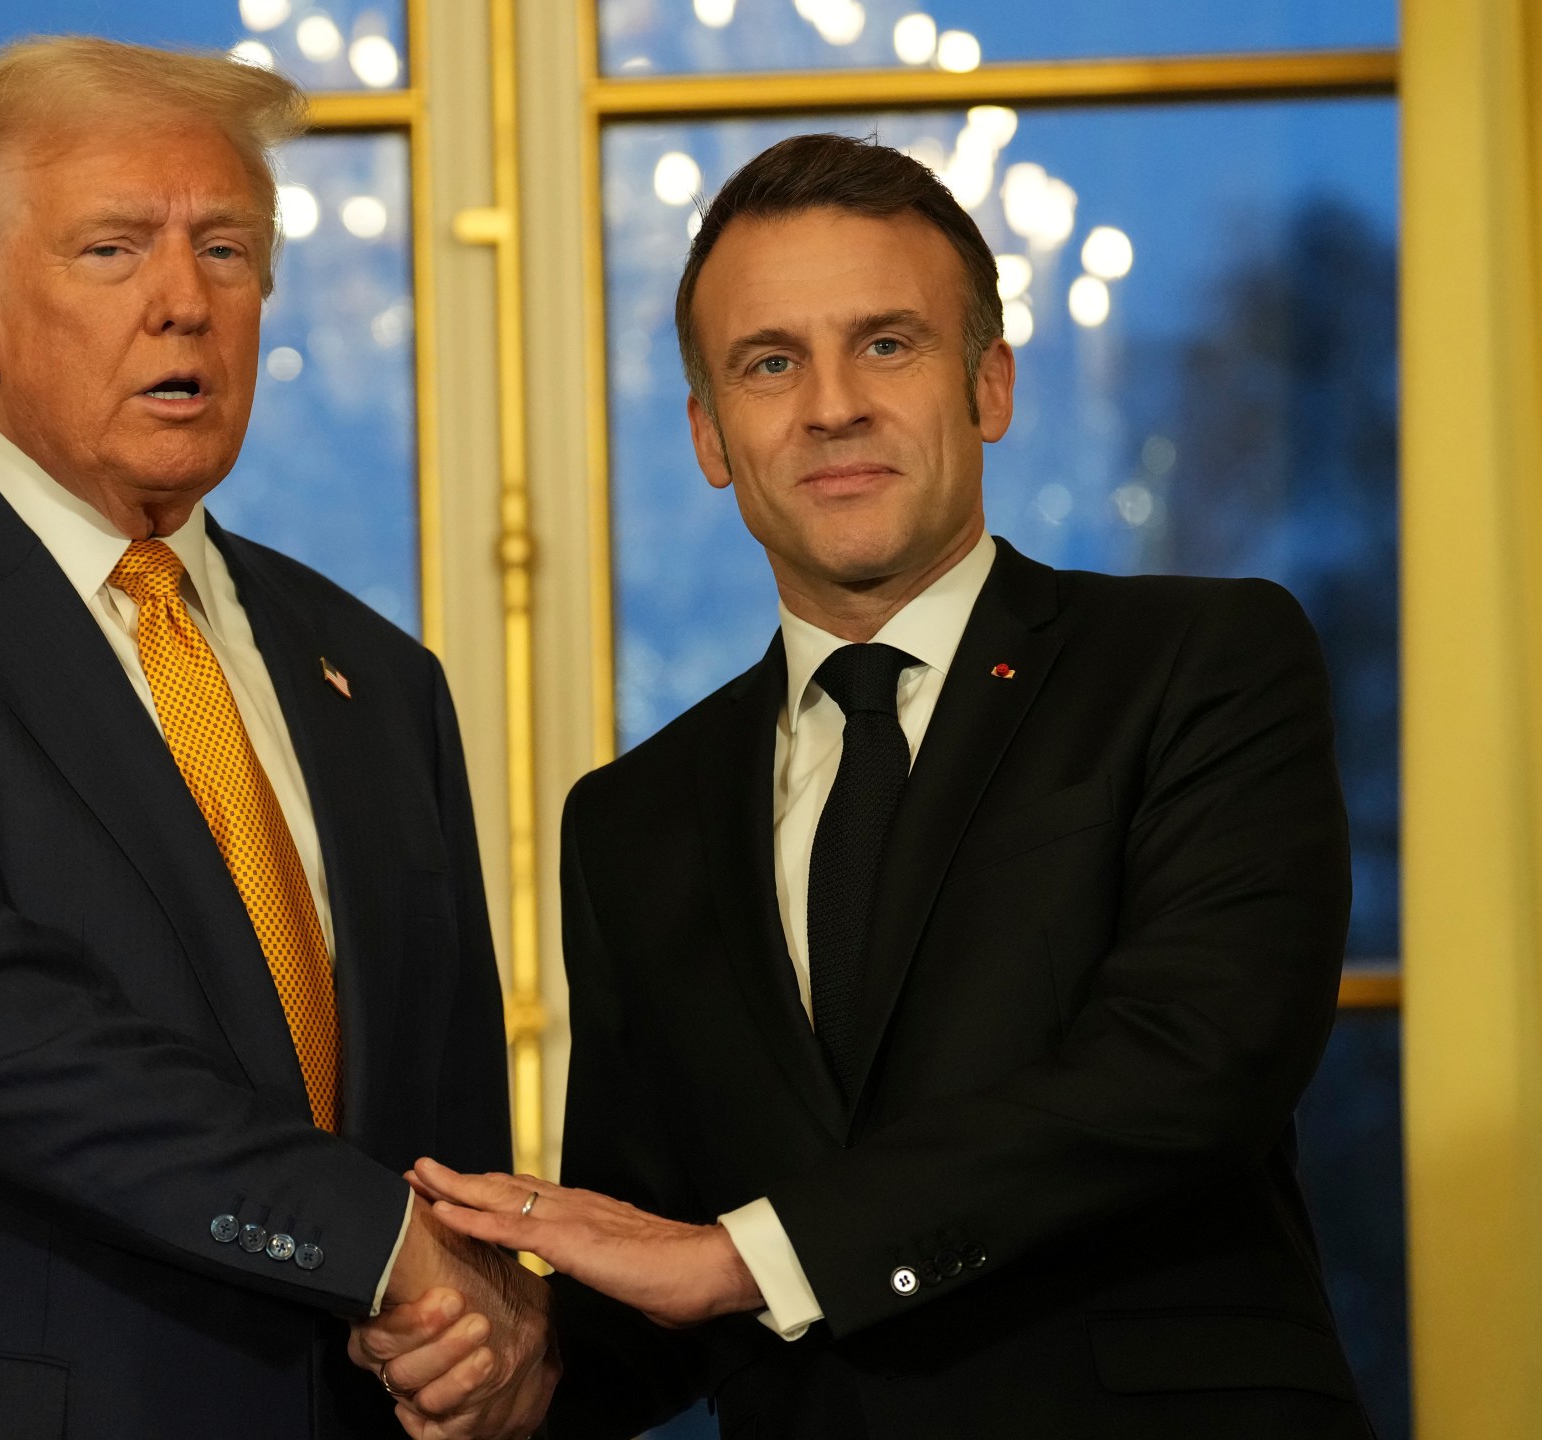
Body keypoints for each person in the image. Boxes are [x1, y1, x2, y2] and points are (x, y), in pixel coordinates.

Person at [364, 133, 1368, 1438]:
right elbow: (662, 1272)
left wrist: (750, 1257)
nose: (831, 404)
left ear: (989, 385)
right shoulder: (632, 821)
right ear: (711, 436)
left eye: (885, 343)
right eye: (770, 363)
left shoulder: (1200, 662)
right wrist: (515, 1378)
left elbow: (1192, 1068)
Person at [0, 39, 551, 1439]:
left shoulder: (378, 679)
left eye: (230, 250)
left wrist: (492, 1335)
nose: (186, 302)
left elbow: (444, 1155)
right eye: (114, 249)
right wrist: (369, 1240)